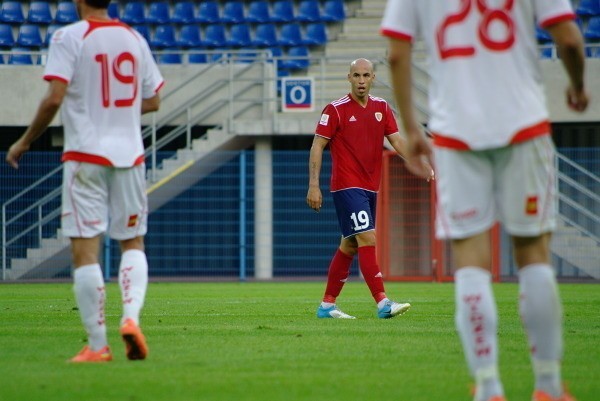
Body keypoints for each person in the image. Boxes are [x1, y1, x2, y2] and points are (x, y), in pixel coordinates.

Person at [381, 1, 589, 401]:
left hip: (456, 133)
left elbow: (396, 53)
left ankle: (489, 387)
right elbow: (568, 38)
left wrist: (411, 127)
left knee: (471, 264)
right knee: (533, 255)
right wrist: (577, 85)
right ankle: (547, 385)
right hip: (523, 127)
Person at [6, 0, 164, 363]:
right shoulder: (133, 37)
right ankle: (130, 318)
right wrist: (117, 109)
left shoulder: (69, 37)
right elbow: (154, 100)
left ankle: (97, 345)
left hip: (86, 156)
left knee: (85, 250)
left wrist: (25, 141)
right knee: (133, 241)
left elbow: (54, 98)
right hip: (131, 157)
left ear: (78, 1)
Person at [306, 58, 433, 319]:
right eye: (356, 76)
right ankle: (383, 303)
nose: (361, 81)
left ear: (373, 78)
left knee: (350, 245)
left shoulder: (382, 108)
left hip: (369, 187)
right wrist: (313, 185)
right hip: (346, 185)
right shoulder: (336, 109)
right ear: (349, 77)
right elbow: (317, 145)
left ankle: (327, 305)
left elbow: (396, 140)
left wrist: (417, 162)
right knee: (367, 238)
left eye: (366, 75)